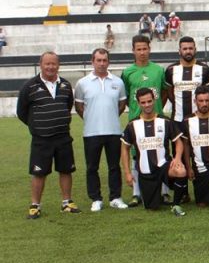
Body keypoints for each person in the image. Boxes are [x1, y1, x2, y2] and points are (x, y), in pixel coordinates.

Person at [17, 52, 79, 219]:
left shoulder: (65, 85)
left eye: (54, 64)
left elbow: (67, 106)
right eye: (47, 64)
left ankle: (67, 203)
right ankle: (35, 206)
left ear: (58, 65)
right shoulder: (29, 86)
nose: (51, 67)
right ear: (41, 64)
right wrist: (37, 126)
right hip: (41, 139)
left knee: (66, 170)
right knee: (39, 173)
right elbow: (21, 112)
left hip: (63, 137)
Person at [74, 48, 129, 212]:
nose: (102, 63)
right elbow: (78, 106)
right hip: (91, 133)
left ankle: (115, 197)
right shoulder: (82, 83)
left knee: (114, 166)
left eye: (104, 60)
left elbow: (121, 105)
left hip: (113, 131)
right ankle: (96, 199)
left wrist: (110, 116)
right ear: (93, 61)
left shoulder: (117, 82)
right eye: (98, 60)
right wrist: (92, 118)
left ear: (108, 62)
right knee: (92, 167)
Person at [120, 88, 188, 216]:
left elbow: (178, 142)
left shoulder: (165, 121)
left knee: (181, 171)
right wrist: (128, 173)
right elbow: (124, 148)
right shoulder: (132, 125)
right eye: (143, 102)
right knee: (152, 208)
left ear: (154, 100)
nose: (147, 105)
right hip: (146, 171)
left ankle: (176, 205)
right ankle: (154, 196)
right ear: (138, 103)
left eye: (149, 101)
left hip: (164, 166)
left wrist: (177, 158)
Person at [122, 35, 168, 207]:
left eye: (145, 48)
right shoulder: (127, 72)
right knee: (137, 154)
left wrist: (157, 107)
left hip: (157, 118)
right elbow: (127, 96)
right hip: (136, 119)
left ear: (150, 49)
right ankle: (136, 193)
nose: (142, 52)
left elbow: (164, 92)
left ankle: (164, 192)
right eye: (138, 49)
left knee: (160, 152)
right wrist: (136, 110)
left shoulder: (158, 70)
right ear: (133, 50)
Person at [165, 36, 209, 130]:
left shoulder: (205, 69)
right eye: (185, 49)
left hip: (198, 118)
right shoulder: (171, 69)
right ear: (179, 51)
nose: (188, 51)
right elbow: (169, 93)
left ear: (195, 50)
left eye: (191, 48)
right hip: (178, 119)